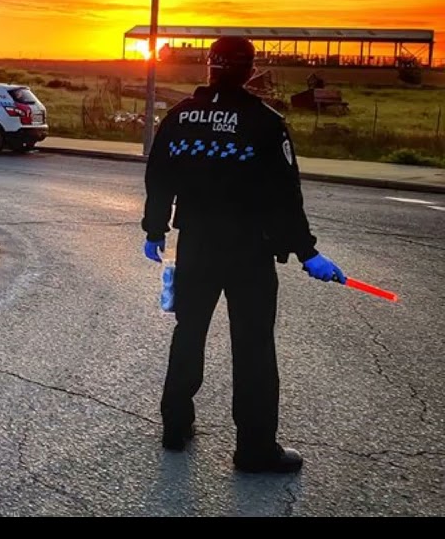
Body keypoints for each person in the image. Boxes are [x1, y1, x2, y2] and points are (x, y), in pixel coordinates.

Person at [140, 35, 345, 474]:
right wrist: (307, 253)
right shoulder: (264, 122)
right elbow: (285, 197)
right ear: (250, 71)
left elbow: (158, 176)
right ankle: (254, 449)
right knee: (252, 346)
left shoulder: (178, 117)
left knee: (189, 331)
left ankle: (175, 424)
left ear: (209, 68)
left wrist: (155, 229)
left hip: (195, 243)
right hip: (249, 250)